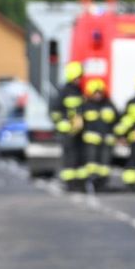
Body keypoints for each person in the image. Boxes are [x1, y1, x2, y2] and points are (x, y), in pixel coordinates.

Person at [50, 61, 86, 190]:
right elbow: (54, 111)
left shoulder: (79, 91)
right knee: (70, 157)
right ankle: (70, 183)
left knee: (80, 157)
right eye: (78, 77)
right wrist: (64, 124)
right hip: (68, 132)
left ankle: (79, 182)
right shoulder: (64, 91)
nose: (79, 79)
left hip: (78, 130)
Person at [81, 79, 118, 189]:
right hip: (91, 142)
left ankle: (103, 183)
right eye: (95, 93)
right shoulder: (86, 105)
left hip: (106, 140)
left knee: (105, 164)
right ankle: (91, 181)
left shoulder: (109, 104)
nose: (98, 95)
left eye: (100, 92)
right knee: (92, 163)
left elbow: (117, 119)